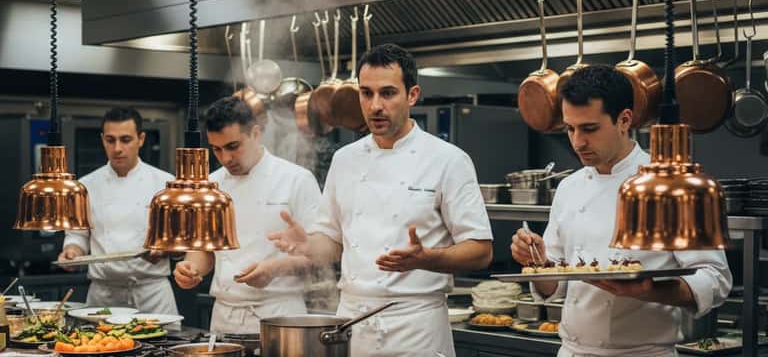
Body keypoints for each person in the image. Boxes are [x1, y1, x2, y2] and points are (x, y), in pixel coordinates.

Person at [268, 43, 494, 357]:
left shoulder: (448, 160)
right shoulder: (345, 160)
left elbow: (481, 251)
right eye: (366, 93)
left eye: (387, 93)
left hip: (416, 328)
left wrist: (426, 258)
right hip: (352, 324)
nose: (375, 106)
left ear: (412, 95)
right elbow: (331, 242)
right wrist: (308, 244)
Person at [510, 65, 732, 357]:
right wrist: (537, 261)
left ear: (624, 120)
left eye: (590, 128)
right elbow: (556, 286)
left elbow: (716, 279)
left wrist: (650, 290)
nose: (577, 142)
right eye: (570, 129)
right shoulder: (569, 187)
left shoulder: (671, 184)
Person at [172, 96, 320, 333]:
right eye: (217, 149)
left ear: (256, 134)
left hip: (280, 314)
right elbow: (204, 250)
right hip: (224, 315)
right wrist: (191, 269)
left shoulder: (296, 180)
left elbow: (319, 255)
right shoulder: (210, 185)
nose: (226, 158)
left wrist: (274, 269)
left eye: (233, 146)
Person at [59, 107, 178, 314]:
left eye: (125, 140)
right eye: (110, 140)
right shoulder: (85, 186)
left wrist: (165, 250)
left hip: (152, 294)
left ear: (141, 139)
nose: (117, 148)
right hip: (103, 295)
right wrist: (72, 252)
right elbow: (77, 236)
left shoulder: (166, 183)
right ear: (102, 140)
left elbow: (181, 242)